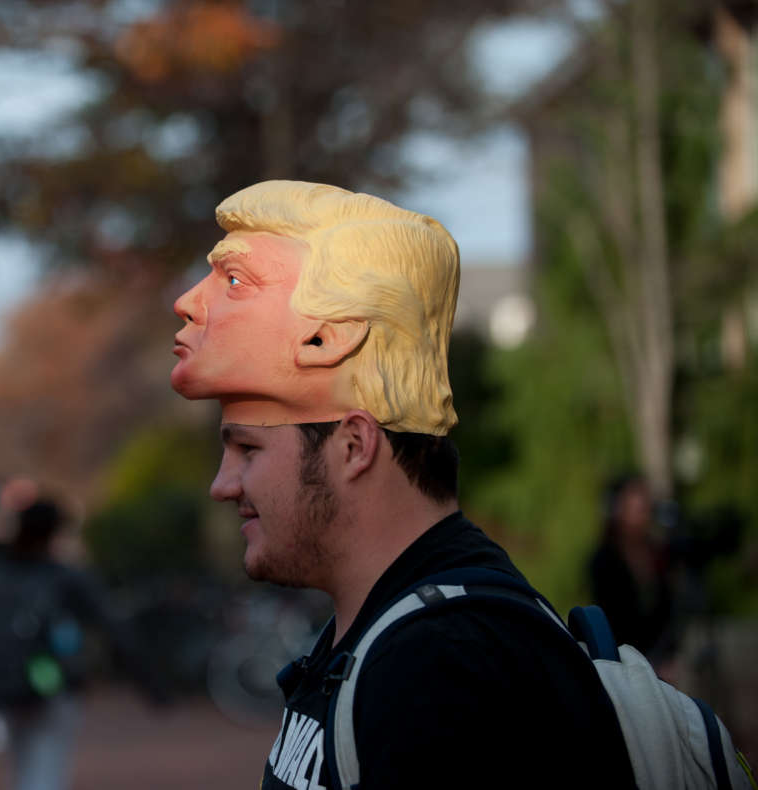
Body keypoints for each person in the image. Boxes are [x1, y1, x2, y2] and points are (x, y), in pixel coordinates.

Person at [171, 180, 635, 788]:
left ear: (355, 445)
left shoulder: (445, 665)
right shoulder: (386, 632)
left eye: (247, 450)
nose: (222, 485)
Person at [0, 496, 160, 790]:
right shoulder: (65, 577)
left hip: (6, 685)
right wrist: (150, 680)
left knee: (22, 766)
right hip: (53, 684)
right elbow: (112, 624)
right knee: (45, 766)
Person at [590, 474, 676, 662]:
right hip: (622, 661)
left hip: (660, 659)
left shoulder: (658, 553)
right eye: (637, 510)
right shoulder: (605, 560)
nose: (644, 517)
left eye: (646, 509)